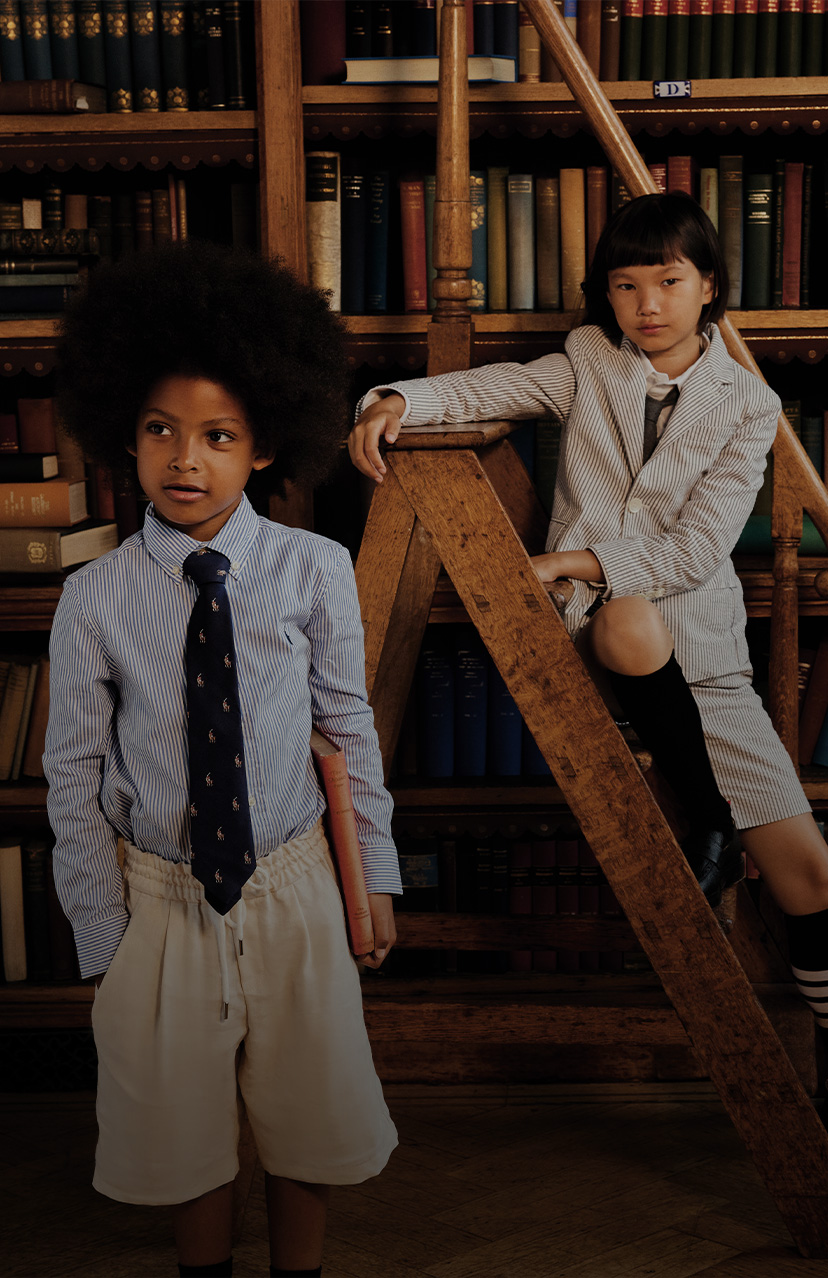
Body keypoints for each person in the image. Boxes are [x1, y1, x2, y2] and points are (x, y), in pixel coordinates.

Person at [349, 191, 828, 1043]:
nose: (647, 304)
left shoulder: (750, 407)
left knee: (810, 881)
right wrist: (396, 401)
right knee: (625, 623)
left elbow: (697, 551)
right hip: (597, 638)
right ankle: (711, 818)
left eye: (670, 282)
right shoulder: (587, 361)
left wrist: (569, 559)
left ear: (709, 287)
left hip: (706, 663)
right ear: (604, 295)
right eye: (626, 284)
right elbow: (495, 386)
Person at [44, 240, 401, 1278]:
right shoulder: (93, 598)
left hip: (295, 886)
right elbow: (70, 774)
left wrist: (371, 878)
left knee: (308, 1115)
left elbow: (349, 731)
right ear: (126, 434)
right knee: (181, 1131)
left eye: (216, 436)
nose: (184, 460)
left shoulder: (314, 569)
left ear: (264, 447)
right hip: (156, 898)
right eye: (160, 431)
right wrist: (104, 930)